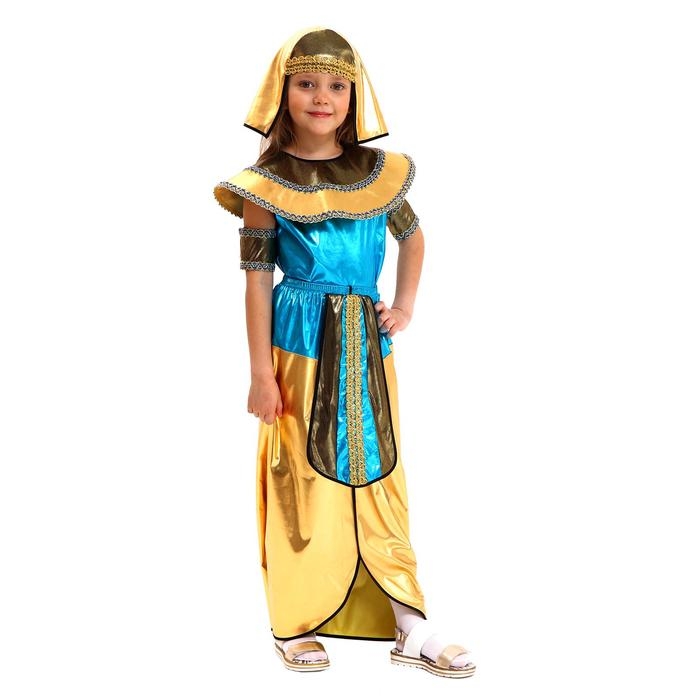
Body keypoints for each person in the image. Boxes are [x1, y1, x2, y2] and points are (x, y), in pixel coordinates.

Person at [213, 27, 475, 679]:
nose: (321, 97)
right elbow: (256, 281)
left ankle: (408, 620)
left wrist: (403, 306)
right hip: (299, 343)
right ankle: (296, 620)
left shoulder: (377, 175)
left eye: (336, 85)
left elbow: (413, 239)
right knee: (301, 473)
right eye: (306, 83)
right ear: (283, 92)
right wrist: (260, 373)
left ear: (355, 96)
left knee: (380, 473)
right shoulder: (265, 184)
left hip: (366, 342)